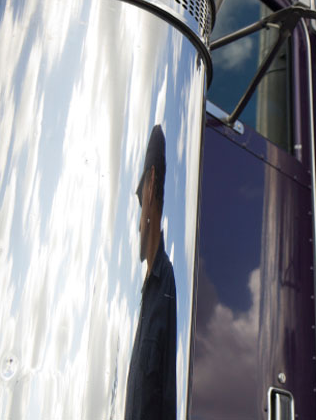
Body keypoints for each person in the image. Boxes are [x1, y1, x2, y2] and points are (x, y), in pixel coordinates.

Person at [126, 124, 177, 420]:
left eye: (139, 199)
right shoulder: (146, 290)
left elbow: (168, 397)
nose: (137, 223)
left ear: (151, 183)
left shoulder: (166, 283)